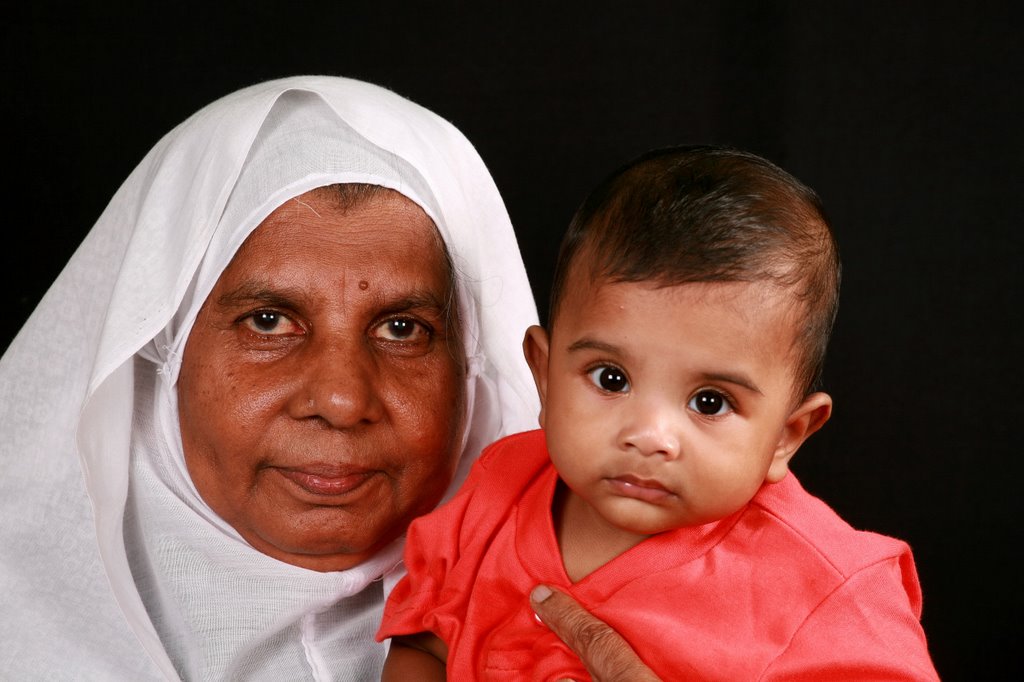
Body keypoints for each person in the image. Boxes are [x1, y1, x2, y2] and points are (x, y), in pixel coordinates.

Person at [0, 75, 548, 680]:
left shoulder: (618, 631)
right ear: (164, 351)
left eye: (401, 329)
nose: (341, 401)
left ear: (473, 370)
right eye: (268, 322)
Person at [377, 145, 941, 680]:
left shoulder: (826, 589)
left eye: (710, 402)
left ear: (786, 437)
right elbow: (423, 645)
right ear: (544, 377)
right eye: (612, 379)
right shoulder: (496, 491)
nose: (649, 436)